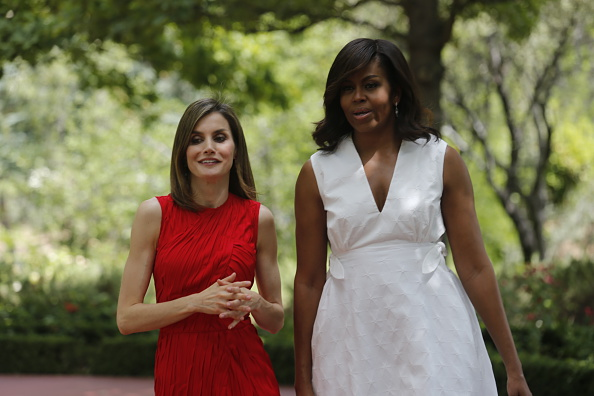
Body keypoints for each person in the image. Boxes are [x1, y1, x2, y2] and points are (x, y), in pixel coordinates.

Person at [293, 38, 532, 395]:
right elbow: (309, 281)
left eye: (370, 85)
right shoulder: (317, 172)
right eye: (347, 88)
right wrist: (303, 377)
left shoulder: (441, 160)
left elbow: (476, 267)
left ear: (396, 93)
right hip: (350, 340)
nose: (357, 97)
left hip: (434, 334)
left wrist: (514, 369)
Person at [117, 98, 284, 396]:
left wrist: (256, 303)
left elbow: (275, 322)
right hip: (181, 372)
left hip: (245, 369)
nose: (208, 147)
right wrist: (196, 302)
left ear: (235, 149)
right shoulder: (154, 214)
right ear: (183, 152)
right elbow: (127, 319)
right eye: (196, 139)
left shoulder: (259, 218)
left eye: (219, 137)